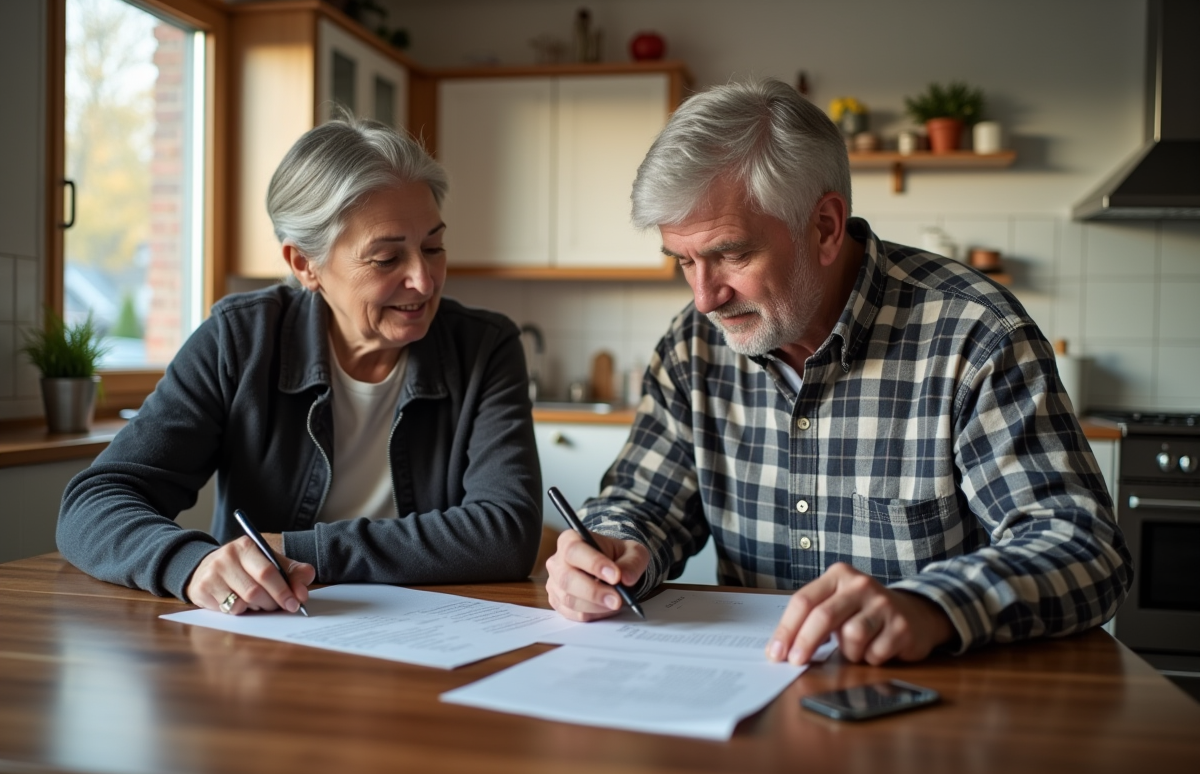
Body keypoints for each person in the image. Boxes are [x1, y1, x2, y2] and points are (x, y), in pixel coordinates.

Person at [545, 78, 1132, 666]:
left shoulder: (972, 334)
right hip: (747, 697)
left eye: (732, 254)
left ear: (824, 226)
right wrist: (611, 549)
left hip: (933, 707)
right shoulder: (692, 345)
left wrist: (929, 606)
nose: (705, 298)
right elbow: (644, 505)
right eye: (685, 262)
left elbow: (1081, 547)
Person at [58, 118, 542, 615]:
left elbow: (505, 533)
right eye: (386, 258)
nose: (423, 279)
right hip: (269, 634)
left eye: (433, 247)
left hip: (434, 630)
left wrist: (296, 551)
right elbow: (93, 505)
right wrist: (194, 565)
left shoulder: (486, 347)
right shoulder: (239, 342)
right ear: (305, 265)